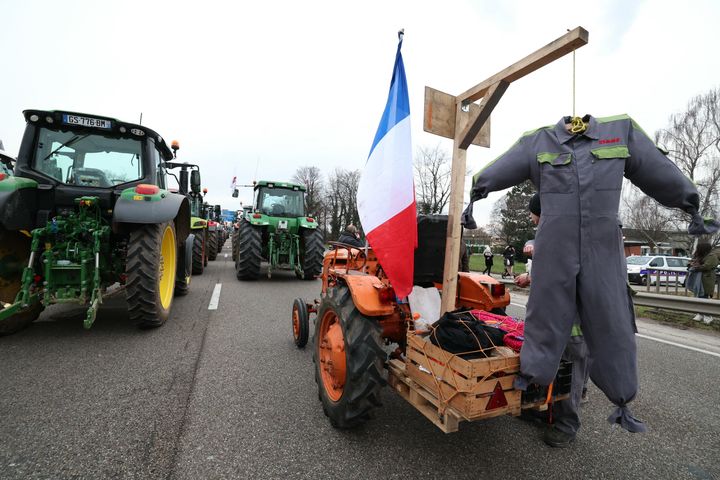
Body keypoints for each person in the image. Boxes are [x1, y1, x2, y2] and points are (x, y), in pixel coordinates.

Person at [463, 114, 719, 434]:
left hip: (603, 244)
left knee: (612, 320)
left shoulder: (620, 132)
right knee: (545, 314)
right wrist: (478, 190)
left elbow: (657, 167)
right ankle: (534, 377)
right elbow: (502, 166)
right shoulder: (537, 141)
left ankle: (617, 396)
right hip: (556, 244)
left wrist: (690, 203)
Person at [515, 193, 590, 447]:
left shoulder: (570, 236)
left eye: (533, 212)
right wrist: (531, 278)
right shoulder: (553, 234)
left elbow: (570, 275)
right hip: (551, 317)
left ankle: (566, 424)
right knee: (547, 361)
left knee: (571, 369)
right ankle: (542, 408)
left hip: (573, 321)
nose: (530, 217)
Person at [688, 241, 718, 324]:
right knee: (699, 296)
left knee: (704, 296)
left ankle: (708, 315)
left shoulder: (712, 256)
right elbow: (692, 263)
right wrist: (692, 264)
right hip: (698, 279)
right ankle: (700, 314)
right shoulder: (699, 256)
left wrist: (696, 266)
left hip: (706, 279)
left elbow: (707, 266)